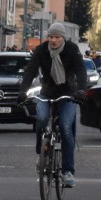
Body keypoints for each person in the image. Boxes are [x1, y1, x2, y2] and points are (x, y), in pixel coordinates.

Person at [20, 21, 88, 188]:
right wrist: (23, 91)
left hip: (68, 94)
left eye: (57, 37)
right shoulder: (41, 50)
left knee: (65, 127)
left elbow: (80, 71)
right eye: (51, 37)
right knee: (42, 119)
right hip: (47, 92)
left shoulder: (71, 50)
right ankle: (41, 153)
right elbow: (30, 70)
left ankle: (67, 172)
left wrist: (81, 91)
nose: (53, 40)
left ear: (62, 38)